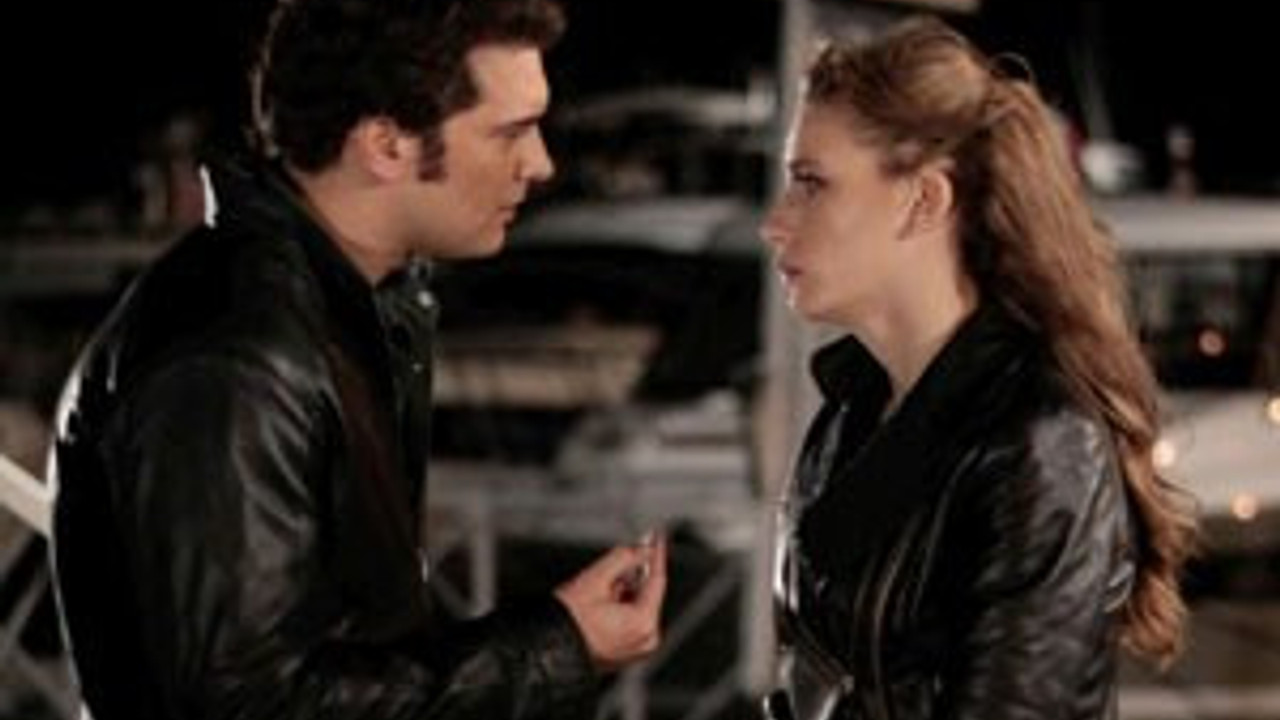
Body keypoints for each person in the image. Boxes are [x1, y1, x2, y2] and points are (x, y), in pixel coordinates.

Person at [47, 0, 667, 718]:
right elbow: (251, 703)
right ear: (386, 145)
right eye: (511, 132)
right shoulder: (239, 355)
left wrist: (558, 643)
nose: (541, 164)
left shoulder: (334, 306)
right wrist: (557, 649)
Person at [759, 17, 1196, 720]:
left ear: (925, 200)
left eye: (811, 182)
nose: (775, 222)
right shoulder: (852, 406)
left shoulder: (1040, 437)